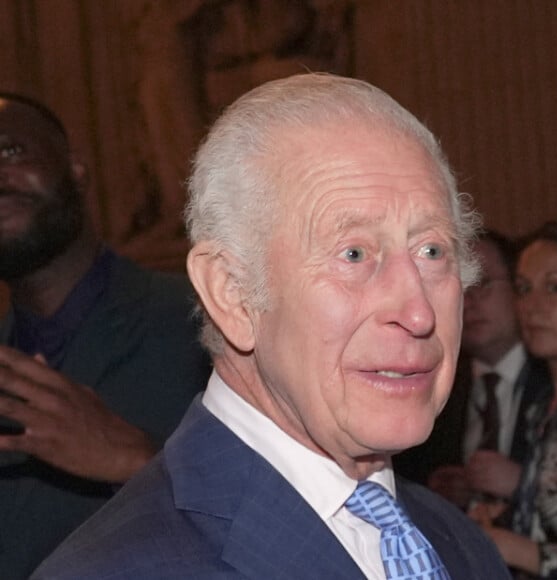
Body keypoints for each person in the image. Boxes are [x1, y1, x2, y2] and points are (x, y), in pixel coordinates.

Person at [32, 73, 510, 580]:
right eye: (353, 254)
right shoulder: (118, 570)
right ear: (232, 292)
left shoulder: (459, 544)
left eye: (432, 251)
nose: (419, 313)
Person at [0, 93, 211, 579]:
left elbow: (306, 512)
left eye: (11, 152)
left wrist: (139, 462)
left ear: (75, 167)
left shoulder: (205, 323)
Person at [395, 230, 546, 509]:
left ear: (518, 288)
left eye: (484, 282)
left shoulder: (556, 380)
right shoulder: (429, 385)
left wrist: (522, 482)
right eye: (459, 286)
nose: (470, 299)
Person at [470, 221, 557, 579]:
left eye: (554, 288)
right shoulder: (542, 406)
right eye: (523, 289)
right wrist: (496, 521)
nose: (533, 307)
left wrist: (512, 547)